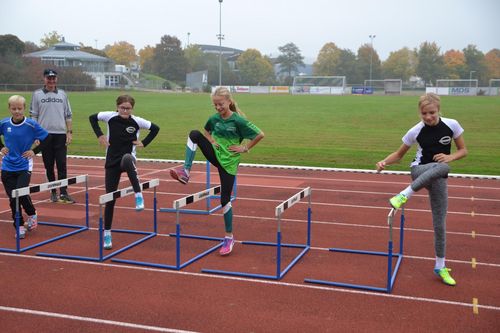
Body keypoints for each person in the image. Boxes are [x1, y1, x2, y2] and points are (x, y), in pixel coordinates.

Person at [376, 93, 467, 286]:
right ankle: (403, 195)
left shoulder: (452, 125)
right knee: (443, 167)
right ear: (420, 112)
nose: (428, 117)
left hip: (438, 177)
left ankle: (440, 265)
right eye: (424, 113)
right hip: (418, 171)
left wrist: (450, 157)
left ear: (438, 110)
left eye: (432, 113)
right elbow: (399, 155)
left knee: (440, 223)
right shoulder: (416, 131)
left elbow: (463, 150)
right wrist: (384, 161)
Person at [170, 87, 264, 256]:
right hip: (216, 154)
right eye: (215, 105)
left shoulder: (238, 121)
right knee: (194, 134)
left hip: (229, 162)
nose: (218, 108)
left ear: (229, 101)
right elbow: (206, 131)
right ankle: (186, 171)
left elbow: (259, 134)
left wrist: (245, 148)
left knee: (224, 199)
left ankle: (229, 237)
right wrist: (211, 140)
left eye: (220, 104)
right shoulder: (214, 119)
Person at [89, 94, 160, 250]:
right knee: (110, 199)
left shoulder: (137, 121)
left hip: (127, 160)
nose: (125, 111)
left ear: (132, 109)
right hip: (111, 162)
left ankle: (138, 195)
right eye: (122, 108)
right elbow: (92, 118)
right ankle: (107, 233)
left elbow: (155, 128)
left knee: (127, 158)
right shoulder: (110, 117)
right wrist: (100, 135)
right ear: (117, 107)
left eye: (128, 108)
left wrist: (144, 143)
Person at [1, 95, 49, 239]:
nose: (17, 111)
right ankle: (19, 226)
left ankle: (32, 214)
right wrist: (1, 147)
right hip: (7, 166)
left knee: (20, 194)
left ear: (24, 108)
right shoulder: (4, 124)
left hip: (24, 165)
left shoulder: (31, 125)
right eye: (14, 108)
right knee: (12, 199)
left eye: (19, 108)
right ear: (9, 109)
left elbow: (47, 138)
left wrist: (34, 151)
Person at [30, 68, 75, 204]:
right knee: (49, 165)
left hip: (60, 134)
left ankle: (64, 192)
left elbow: (68, 114)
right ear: (44, 79)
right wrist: (35, 135)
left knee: (62, 164)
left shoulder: (62, 94)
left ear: (57, 79)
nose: (51, 80)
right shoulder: (37, 94)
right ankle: (53, 192)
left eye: (53, 78)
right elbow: (33, 116)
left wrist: (69, 132)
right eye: (48, 78)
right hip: (44, 136)